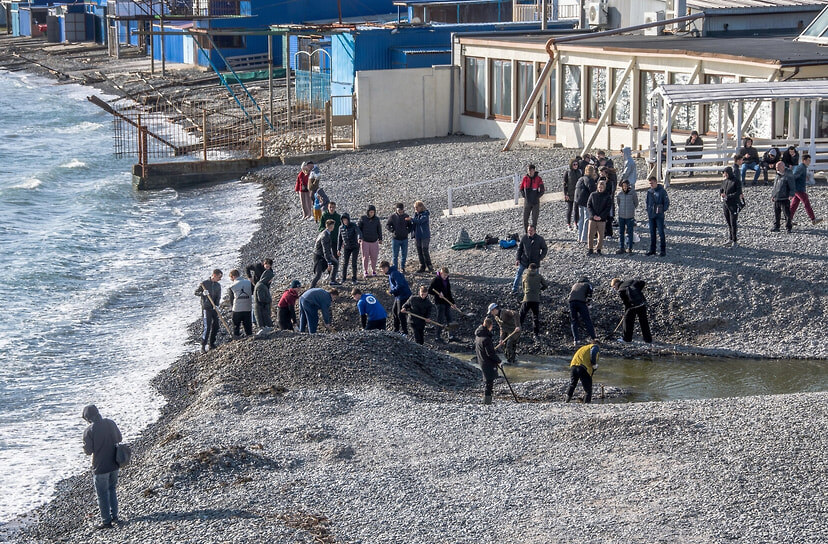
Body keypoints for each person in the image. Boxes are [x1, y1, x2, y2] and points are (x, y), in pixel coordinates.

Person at [82, 405, 122, 530]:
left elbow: (88, 451)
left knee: (102, 494)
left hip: (100, 466)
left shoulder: (89, 430)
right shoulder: (110, 423)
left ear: (88, 418)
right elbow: (119, 438)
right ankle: (115, 516)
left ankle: (106, 521)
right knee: (112, 489)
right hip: (114, 462)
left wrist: (85, 446)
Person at [610, 278, 652, 343]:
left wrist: (625, 313)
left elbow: (626, 304)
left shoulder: (621, 290)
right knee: (644, 321)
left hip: (633, 306)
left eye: (614, 287)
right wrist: (637, 292)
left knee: (627, 321)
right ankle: (648, 339)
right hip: (641, 302)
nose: (615, 289)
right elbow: (642, 282)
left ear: (616, 283)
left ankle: (626, 339)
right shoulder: (630, 281)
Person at [511, 224, 548, 295]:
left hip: (535, 262)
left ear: (535, 231)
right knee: (519, 274)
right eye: (528, 230)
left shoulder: (540, 239)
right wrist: (517, 259)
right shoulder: (524, 238)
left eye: (531, 231)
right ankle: (514, 289)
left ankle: (536, 291)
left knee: (536, 277)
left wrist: (541, 257)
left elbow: (545, 249)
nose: (530, 232)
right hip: (524, 260)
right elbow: (520, 249)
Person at [474, 317, 501, 405]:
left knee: (488, 381)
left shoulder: (478, 336)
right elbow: (490, 353)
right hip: (487, 362)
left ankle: (487, 400)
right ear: (490, 326)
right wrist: (499, 360)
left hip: (481, 360)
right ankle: (487, 401)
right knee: (489, 382)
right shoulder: (486, 338)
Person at [790, 154, 823, 226]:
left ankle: (788, 219)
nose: (809, 162)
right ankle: (813, 219)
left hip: (798, 188)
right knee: (806, 203)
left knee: (794, 204)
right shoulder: (801, 167)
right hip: (799, 189)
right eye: (808, 160)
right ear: (804, 160)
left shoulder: (803, 167)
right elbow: (794, 176)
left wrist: (805, 176)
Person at [381, 260, 411, 335]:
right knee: (394, 311)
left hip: (403, 295)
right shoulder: (391, 274)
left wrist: (392, 291)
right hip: (398, 296)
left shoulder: (394, 274)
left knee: (400, 313)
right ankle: (396, 329)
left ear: (386, 267)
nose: (382, 271)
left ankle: (405, 332)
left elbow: (400, 285)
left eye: (382, 269)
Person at [195, 269, 222, 351]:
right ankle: (203, 346)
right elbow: (196, 292)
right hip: (206, 308)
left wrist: (217, 305)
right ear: (214, 275)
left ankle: (211, 343)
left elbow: (218, 296)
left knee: (216, 325)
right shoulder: (204, 283)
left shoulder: (218, 285)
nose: (220, 279)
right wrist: (202, 294)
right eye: (219, 277)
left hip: (214, 308)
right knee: (207, 327)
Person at [429, 267, 457, 342]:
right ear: (441, 273)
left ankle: (451, 336)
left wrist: (453, 303)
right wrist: (438, 293)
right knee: (440, 319)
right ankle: (437, 337)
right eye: (444, 275)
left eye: (447, 275)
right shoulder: (436, 280)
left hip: (447, 302)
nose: (445, 277)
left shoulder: (447, 280)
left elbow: (449, 293)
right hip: (439, 303)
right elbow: (430, 290)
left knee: (450, 319)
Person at [520, 263, 547, 338]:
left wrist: (526, 293)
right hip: (536, 299)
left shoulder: (525, 276)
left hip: (527, 298)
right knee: (535, 317)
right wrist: (540, 290)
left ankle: (518, 331)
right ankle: (536, 334)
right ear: (536, 269)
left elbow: (523, 287)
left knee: (522, 315)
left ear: (528, 268)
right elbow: (545, 285)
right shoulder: (539, 276)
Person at [645, 176, 670, 257]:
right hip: (651, 215)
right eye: (650, 183)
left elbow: (666, 202)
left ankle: (663, 250)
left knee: (661, 233)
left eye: (652, 183)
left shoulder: (662, 191)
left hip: (659, 216)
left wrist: (662, 210)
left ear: (656, 182)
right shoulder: (649, 191)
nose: (651, 185)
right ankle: (652, 250)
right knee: (652, 233)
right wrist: (648, 210)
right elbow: (647, 202)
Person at [720, 166, 744, 248]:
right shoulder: (725, 181)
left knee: (733, 223)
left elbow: (738, 192)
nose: (725, 175)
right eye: (724, 173)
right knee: (729, 222)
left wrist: (728, 196)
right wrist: (721, 195)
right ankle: (730, 238)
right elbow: (721, 190)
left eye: (726, 173)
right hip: (726, 204)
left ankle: (735, 240)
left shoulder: (736, 181)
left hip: (733, 204)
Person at [586, 179, 612, 256]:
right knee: (590, 234)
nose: (600, 189)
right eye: (599, 187)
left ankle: (599, 249)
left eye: (602, 187)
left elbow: (608, 208)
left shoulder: (607, 197)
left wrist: (601, 216)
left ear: (604, 188)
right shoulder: (593, 195)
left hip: (602, 219)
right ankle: (590, 249)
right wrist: (593, 215)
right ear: (597, 186)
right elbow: (589, 205)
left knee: (601, 235)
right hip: (592, 218)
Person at [574, 165, 598, 244]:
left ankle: (580, 236)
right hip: (586, 201)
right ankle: (584, 238)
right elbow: (593, 190)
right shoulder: (589, 180)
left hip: (578, 201)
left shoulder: (580, 179)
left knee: (581, 219)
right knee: (587, 219)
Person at [311, 219, 338, 288]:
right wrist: (329, 262)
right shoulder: (325, 235)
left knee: (335, 263)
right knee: (318, 274)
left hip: (321, 255)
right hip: (319, 256)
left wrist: (331, 255)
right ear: (329, 226)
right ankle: (311, 287)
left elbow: (328, 248)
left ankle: (332, 280)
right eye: (332, 225)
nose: (333, 227)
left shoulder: (325, 233)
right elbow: (325, 249)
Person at [569, 277, 596, 345]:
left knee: (574, 321)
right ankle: (593, 338)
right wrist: (588, 304)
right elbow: (589, 295)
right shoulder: (588, 285)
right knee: (587, 320)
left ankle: (576, 340)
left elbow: (571, 294)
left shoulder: (574, 285)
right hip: (581, 303)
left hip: (571, 302)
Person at [770, 161, 795, 233]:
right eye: (776, 167)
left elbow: (792, 185)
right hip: (777, 196)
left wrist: (791, 194)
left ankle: (788, 227)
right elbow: (775, 186)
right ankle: (776, 226)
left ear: (783, 167)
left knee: (786, 213)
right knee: (777, 212)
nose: (776, 168)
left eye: (778, 167)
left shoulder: (788, 174)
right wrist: (773, 195)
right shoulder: (778, 174)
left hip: (785, 196)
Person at [386, 203, 412, 273]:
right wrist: (392, 230)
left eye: (401, 210)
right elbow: (388, 225)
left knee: (404, 254)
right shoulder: (392, 216)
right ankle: (395, 268)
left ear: (403, 209)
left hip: (404, 238)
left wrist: (407, 231)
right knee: (395, 255)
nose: (400, 211)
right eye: (398, 210)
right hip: (396, 239)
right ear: (396, 209)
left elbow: (410, 225)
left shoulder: (406, 216)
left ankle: (402, 267)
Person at [358, 205, 382, 278]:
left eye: (373, 212)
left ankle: (373, 270)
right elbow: (359, 229)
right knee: (365, 257)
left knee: (374, 257)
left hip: (374, 241)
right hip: (365, 241)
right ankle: (365, 271)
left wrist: (380, 238)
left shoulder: (377, 219)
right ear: (368, 212)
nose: (372, 213)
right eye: (370, 212)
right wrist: (359, 237)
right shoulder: (363, 218)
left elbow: (379, 229)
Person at [520, 164, 545, 233]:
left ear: (534, 170)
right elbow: (521, 188)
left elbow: (542, 190)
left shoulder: (538, 179)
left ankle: (533, 233)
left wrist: (537, 197)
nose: (530, 172)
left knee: (534, 220)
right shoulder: (525, 178)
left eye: (531, 170)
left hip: (535, 202)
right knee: (525, 219)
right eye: (529, 171)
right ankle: (526, 233)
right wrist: (524, 196)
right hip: (527, 202)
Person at [227, 269, 253, 337]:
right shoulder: (249, 282)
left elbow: (231, 299)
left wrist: (232, 308)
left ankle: (237, 336)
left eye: (230, 278)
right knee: (248, 324)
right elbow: (253, 293)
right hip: (248, 307)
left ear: (233, 276)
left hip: (237, 308)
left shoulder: (232, 286)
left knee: (236, 325)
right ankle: (249, 335)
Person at [338, 213, 362, 283]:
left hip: (355, 246)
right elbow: (339, 239)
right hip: (346, 247)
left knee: (354, 263)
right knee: (345, 263)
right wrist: (338, 249)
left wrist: (359, 238)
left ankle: (354, 279)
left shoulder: (353, 225)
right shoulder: (341, 228)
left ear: (348, 220)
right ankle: (343, 278)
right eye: (343, 220)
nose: (345, 221)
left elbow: (359, 232)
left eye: (346, 220)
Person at [616, 179, 638, 254]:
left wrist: (631, 209)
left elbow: (636, 203)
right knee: (621, 232)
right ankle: (621, 247)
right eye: (623, 186)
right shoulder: (619, 194)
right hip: (621, 216)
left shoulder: (633, 193)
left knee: (630, 232)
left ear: (628, 186)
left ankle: (630, 248)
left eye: (626, 186)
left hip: (630, 216)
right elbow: (618, 203)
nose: (625, 187)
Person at [411, 200, 433, 273]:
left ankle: (429, 266)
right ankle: (422, 266)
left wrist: (411, 219)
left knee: (425, 250)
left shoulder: (425, 214)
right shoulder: (416, 215)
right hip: (418, 235)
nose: (416, 209)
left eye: (417, 207)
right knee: (419, 251)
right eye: (415, 208)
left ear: (421, 207)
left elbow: (420, 221)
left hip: (425, 236)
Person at [253, 260, 274, 329]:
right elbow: (261, 299)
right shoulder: (261, 286)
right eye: (270, 279)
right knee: (264, 326)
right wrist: (269, 300)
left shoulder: (262, 284)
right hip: (261, 310)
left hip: (263, 309)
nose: (271, 280)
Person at [563, 159, 582, 230]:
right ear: (571, 165)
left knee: (576, 209)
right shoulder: (567, 172)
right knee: (569, 209)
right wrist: (565, 194)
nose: (575, 166)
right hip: (570, 193)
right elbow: (564, 184)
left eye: (576, 164)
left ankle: (576, 223)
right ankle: (568, 224)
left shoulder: (579, 172)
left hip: (577, 193)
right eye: (574, 164)